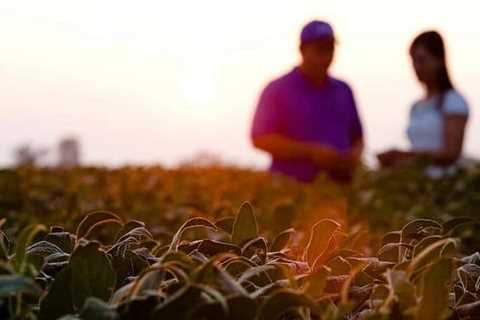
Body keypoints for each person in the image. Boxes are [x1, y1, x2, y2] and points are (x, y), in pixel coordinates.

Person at [251, 20, 364, 183]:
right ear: (302, 50)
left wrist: (352, 158)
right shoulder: (277, 89)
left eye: (330, 48)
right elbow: (260, 138)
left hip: (341, 189)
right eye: (319, 49)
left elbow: (358, 138)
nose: (326, 55)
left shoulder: (344, 90)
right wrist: (310, 152)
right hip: (290, 188)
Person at [378, 31, 469, 173]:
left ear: (439, 60)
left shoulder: (453, 101)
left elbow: (451, 153)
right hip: (416, 183)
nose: (417, 67)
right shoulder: (416, 107)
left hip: (445, 185)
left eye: (422, 60)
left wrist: (405, 156)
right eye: (414, 61)